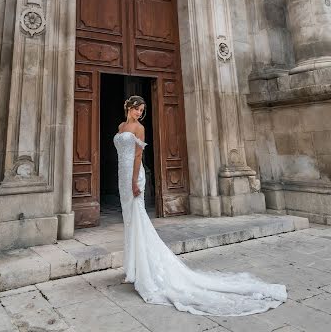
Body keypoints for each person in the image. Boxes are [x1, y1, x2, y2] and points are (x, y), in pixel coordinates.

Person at [113, 95, 287, 317]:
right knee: (129, 221)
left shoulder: (140, 128)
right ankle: (133, 268)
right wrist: (124, 178)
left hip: (133, 178)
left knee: (138, 220)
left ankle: (145, 271)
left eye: (142, 110)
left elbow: (138, 156)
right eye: (137, 109)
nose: (139, 112)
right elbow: (123, 154)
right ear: (129, 107)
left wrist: (133, 181)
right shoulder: (121, 126)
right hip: (122, 175)